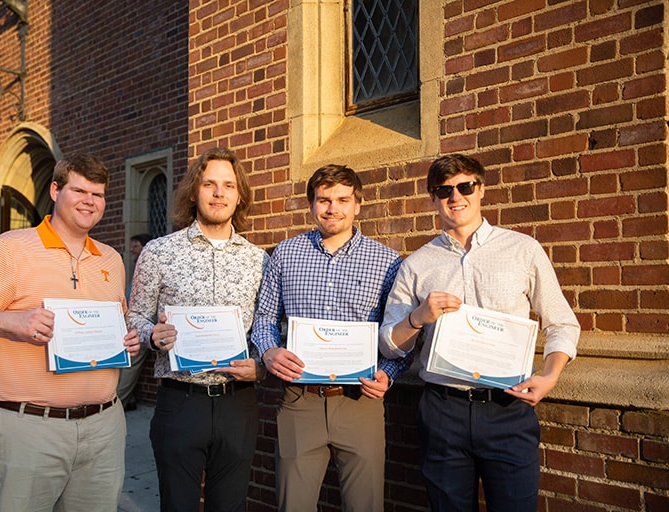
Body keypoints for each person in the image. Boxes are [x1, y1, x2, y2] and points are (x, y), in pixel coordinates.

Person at [0, 153, 141, 511]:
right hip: (27, 428)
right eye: (79, 191)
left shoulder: (110, 258)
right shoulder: (10, 248)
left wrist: (126, 340)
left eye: (98, 194)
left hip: (103, 427)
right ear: (55, 190)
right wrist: (9, 322)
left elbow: (115, 324)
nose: (89, 201)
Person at [379, 153, 580, 511]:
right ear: (433, 199)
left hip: (507, 407)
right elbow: (389, 344)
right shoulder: (416, 265)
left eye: (464, 186)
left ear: (481, 189)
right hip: (443, 411)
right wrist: (418, 317)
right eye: (443, 191)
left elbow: (561, 323)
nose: (455, 197)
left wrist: (550, 375)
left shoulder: (523, 249)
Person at [251, 164, 413, 511]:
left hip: (360, 402)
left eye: (342, 199)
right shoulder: (285, 254)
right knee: (293, 505)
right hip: (299, 400)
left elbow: (402, 334)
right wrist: (268, 352)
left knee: (365, 506)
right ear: (311, 205)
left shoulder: (386, 262)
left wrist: (389, 374)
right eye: (323, 199)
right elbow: (264, 317)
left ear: (358, 205)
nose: (332, 208)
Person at [126, 147, 268, 512]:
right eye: (209, 184)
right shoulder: (158, 253)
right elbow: (136, 316)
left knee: (231, 506)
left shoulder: (259, 260)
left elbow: (268, 329)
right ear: (194, 191)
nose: (218, 193)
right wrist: (151, 336)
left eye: (228, 185)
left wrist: (262, 366)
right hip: (180, 401)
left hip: (237, 402)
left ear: (239, 196)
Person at [117, 232, 153, 411]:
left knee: (130, 367)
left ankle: (118, 404)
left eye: (136, 245)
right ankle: (127, 400)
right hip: (128, 324)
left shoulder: (150, 266)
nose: (132, 249)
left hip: (142, 328)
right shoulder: (137, 266)